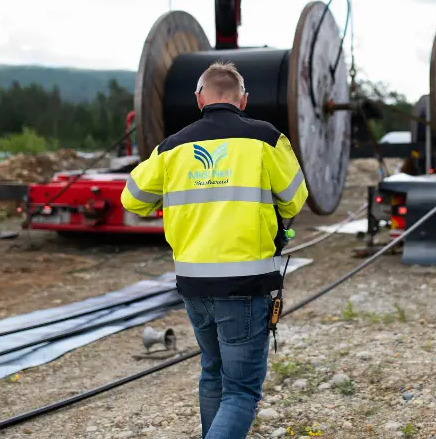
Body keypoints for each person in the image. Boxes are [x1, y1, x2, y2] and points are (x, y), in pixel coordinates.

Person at [121, 61, 308, 438]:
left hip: (193, 283)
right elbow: (294, 199)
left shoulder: (172, 146)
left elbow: (133, 199)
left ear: (199, 98)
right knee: (240, 390)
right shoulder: (265, 139)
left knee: (212, 373)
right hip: (243, 284)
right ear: (243, 100)